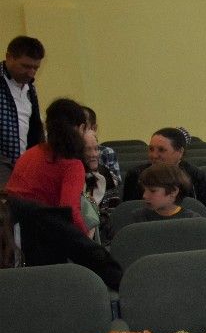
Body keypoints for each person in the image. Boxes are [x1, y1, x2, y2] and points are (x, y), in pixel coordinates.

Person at [3, 97, 122, 288]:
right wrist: (84, 239)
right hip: (42, 235)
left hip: (9, 227)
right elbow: (69, 211)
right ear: (82, 127)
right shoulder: (72, 164)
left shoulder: (31, 153)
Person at [123, 128, 206, 214]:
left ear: (180, 152)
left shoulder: (198, 178)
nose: (154, 155)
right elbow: (127, 213)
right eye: (151, 149)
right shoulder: (135, 175)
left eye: (161, 150)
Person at [0, 36, 46, 189]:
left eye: (35, 68)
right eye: (26, 66)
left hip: (22, 164)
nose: (31, 73)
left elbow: (33, 129)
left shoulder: (30, 90)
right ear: (9, 57)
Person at [83, 127, 121, 242]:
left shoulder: (104, 174)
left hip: (103, 236)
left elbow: (112, 214)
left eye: (96, 149)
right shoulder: (70, 177)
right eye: (87, 150)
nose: (93, 154)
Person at [130, 164, 201, 222]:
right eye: (144, 190)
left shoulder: (192, 220)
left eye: (152, 191)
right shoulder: (138, 218)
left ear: (173, 191)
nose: (144, 195)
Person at [80, 104, 122, 191]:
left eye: (84, 127)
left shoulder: (106, 152)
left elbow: (116, 185)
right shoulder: (70, 154)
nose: (80, 131)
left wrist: (96, 168)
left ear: (94, 128)